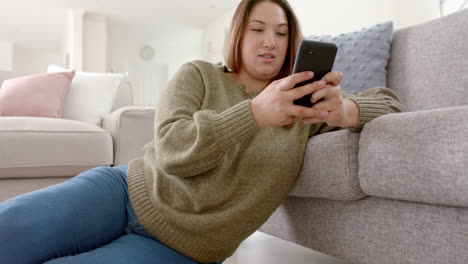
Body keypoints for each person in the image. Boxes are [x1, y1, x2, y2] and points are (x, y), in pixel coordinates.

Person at [0, 0, 404, 263]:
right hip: (124, 191)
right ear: (237, 34)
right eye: (257, 29)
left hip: (181, 248)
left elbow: (391, 104)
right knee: (9, 229)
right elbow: (173, 149)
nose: (270, 42)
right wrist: (254, 113)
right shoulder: (198, 74)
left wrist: (348, 109)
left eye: (281, 33)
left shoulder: (303, 105)